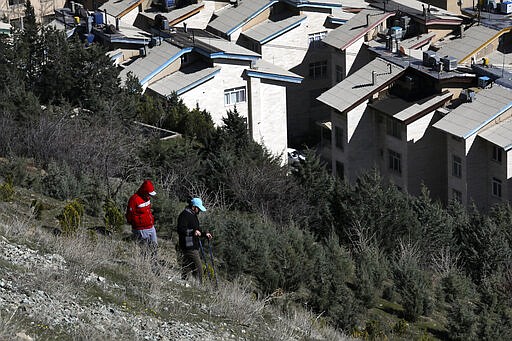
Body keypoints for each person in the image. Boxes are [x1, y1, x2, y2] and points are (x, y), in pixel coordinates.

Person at [177, 197, 212, 283]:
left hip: (193, 243)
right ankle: (200, 285)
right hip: (188, 244)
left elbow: (197, 230)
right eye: (198, 208)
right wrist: (193, 232)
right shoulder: (184, 215)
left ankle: (184, 281)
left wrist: (204, 234)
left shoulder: (193, 215)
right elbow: (180, 229)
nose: (199, 211)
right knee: (198, 267)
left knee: (187, 264)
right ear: (194, 207)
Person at [126, 180, 158, 257]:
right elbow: (129, 214)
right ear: (144, 191)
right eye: (148, 193)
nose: (149, 196)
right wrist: (135, 224)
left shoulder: (147, 198)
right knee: (145, 249)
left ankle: (154, 262)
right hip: (141, 229)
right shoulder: (134, 199)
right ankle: (145, 265)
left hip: (151, 227)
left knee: (154, 247)